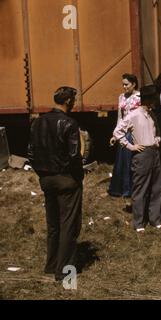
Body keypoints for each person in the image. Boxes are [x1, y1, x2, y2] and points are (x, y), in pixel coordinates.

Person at [28, 86, 83, 281]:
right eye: (73, 100)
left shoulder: (38, 122)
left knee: (53, 224)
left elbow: (31, 153)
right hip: (66, 179)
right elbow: (75, 155)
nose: (74, 103)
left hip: (46, 179)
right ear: (68, 101)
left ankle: (51, 265)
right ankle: (65, 271)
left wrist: (42, 173)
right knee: (69, 225)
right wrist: (77, 177)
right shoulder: (69, 123)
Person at [113, 85, 161, 232]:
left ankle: (155, 219)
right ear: (148, 99)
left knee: (156, 188)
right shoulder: (134, 115)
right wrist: (130, 146)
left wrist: (157, 138)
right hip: (141, 154)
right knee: (140, 189)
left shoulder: (152, 114)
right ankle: (139, 223)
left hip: (154, 152)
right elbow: (118, 132)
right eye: (154, 99)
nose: (156, 102)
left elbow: (156, 130)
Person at [108, 73, 141, 197]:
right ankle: (120, 189)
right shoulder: (121, 97)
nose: (124, 87)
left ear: (134, 84)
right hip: (124, 131)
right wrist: (115, 134)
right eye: (123, 84)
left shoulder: (140, 97)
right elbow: (120, 117)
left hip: (135, 132)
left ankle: (132, 190)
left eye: (126, 84)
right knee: (122, 162)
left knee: (132, 161)